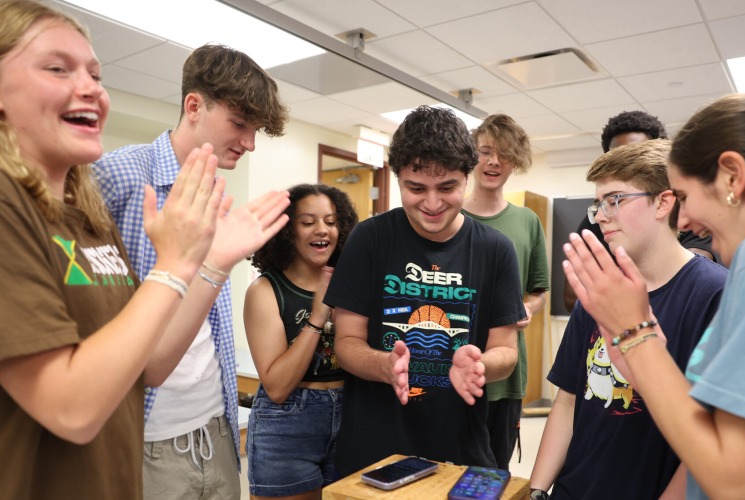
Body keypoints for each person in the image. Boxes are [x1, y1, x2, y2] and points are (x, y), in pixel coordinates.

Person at [0, 2, 286, 498]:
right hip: (128, 444)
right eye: (58, 68)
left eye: (96, 75)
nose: (93, 89)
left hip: (168, 439)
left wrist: (212, 264)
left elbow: (150, 362)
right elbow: (73, 403)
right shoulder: (2, 197)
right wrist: (178, 266)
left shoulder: (84, 215)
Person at [562, 93, 745, 498]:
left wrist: (635, 333)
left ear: (732, 176)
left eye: (683, 197)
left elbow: (734, 480)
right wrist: (649, 364)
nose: (683, 220)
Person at [92, 43, 289, 498]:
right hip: (146, 432)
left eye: (255, 130)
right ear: (194, 106)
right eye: (240, 124)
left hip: (216, 427)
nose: (250, 143)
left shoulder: (215, 191)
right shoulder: (119, 176)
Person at [324, 105, 526, 476]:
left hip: (461, 447)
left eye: (447, 187)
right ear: (397, 177)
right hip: (374, 448)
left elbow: (506, 353)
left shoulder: (495, 249)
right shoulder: (369, 238)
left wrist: (480, 363)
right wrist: (384, 365)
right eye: (416, 188)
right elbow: (347, 342)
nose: (431, 204)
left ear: (468, 176)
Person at [530, 140, 727, 499]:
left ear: (663, 202)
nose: (600, 215)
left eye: (615, 200)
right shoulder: (598, 287)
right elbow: (567, 400)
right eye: (598, 204)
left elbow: (709, 441)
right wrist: (537, 490)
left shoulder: (716, 295)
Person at [244, 184, 358, 499]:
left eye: (332, 222)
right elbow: (278, 387)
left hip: (351, 418)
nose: (322, 230)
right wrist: (318, 316)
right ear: (288, 230)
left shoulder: (352, 283)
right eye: (308, 222)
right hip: (287, 424)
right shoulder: (265, 291)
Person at [562, 110, 716, 312]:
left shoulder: (690, 215)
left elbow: (687, 281)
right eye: (616, 154)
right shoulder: (597, 220)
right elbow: (574, 296)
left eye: (618, 199)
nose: (602, 216)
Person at [462, 114, 549, 470]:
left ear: (516, 162)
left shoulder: (527, 221)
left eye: (505, 155)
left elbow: (539, 290)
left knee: (494, 473)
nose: (494, 161)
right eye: (485, 152)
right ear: (470, 157)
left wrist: (528, 309)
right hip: (453, 366)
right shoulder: (451, 218)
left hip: (506, 373)